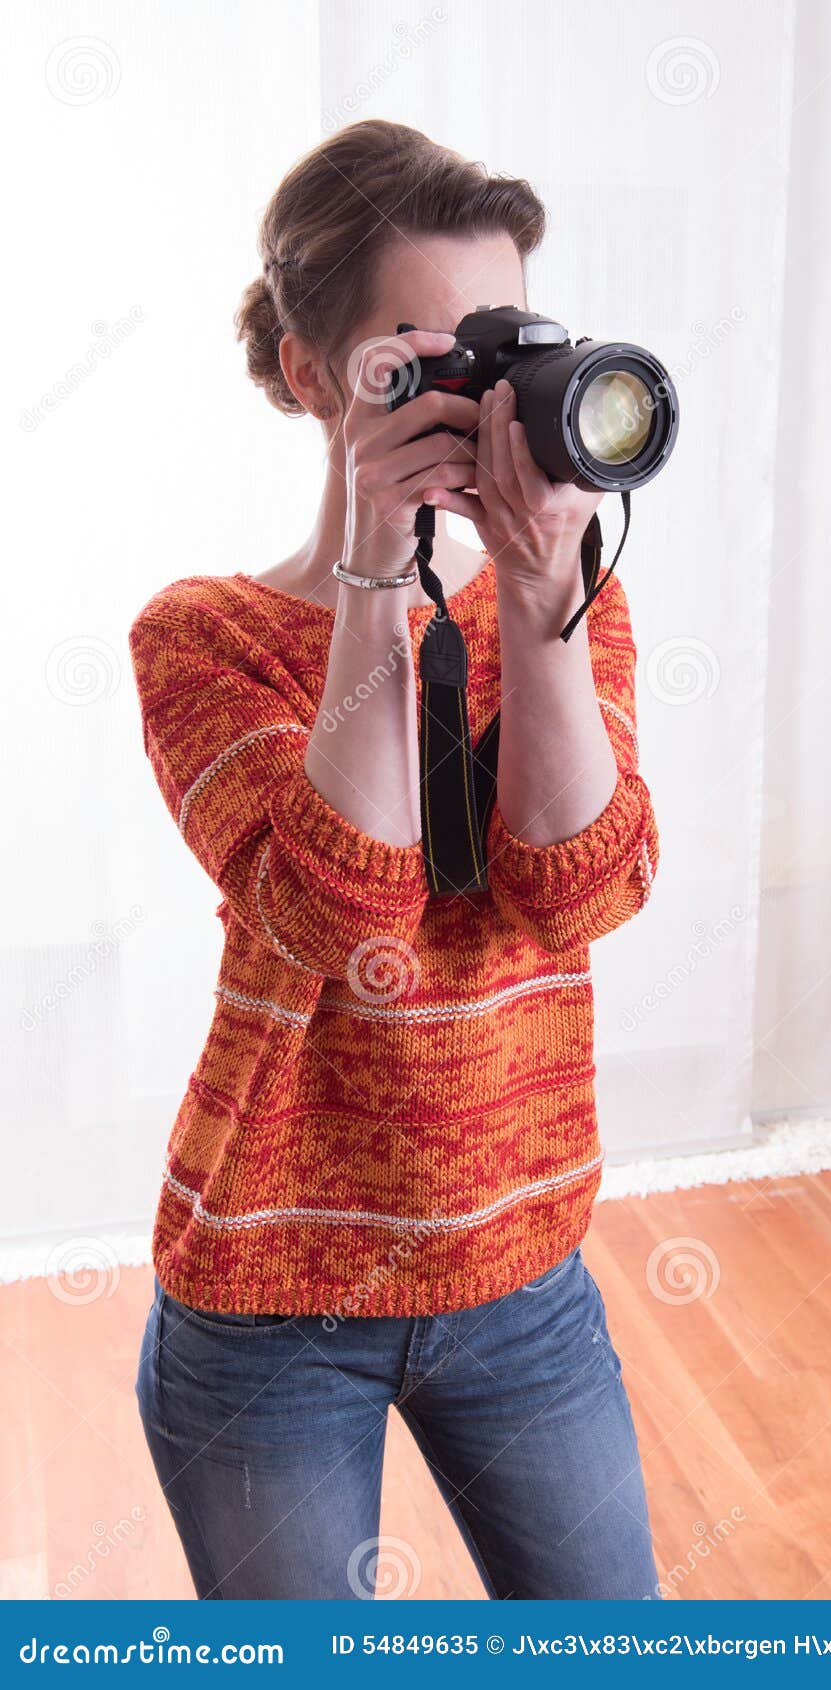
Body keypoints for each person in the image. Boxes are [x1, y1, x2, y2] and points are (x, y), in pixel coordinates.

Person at [130, 119, 661, 1601]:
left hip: (524, 1269)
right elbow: (327, 905)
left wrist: (542, 595)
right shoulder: (202, 637)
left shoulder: (567, 600)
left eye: (508, 348)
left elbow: (583, 890)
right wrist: (377, 573)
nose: (486, 396)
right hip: (269, 1300)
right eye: (432, 357)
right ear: (315, 374)